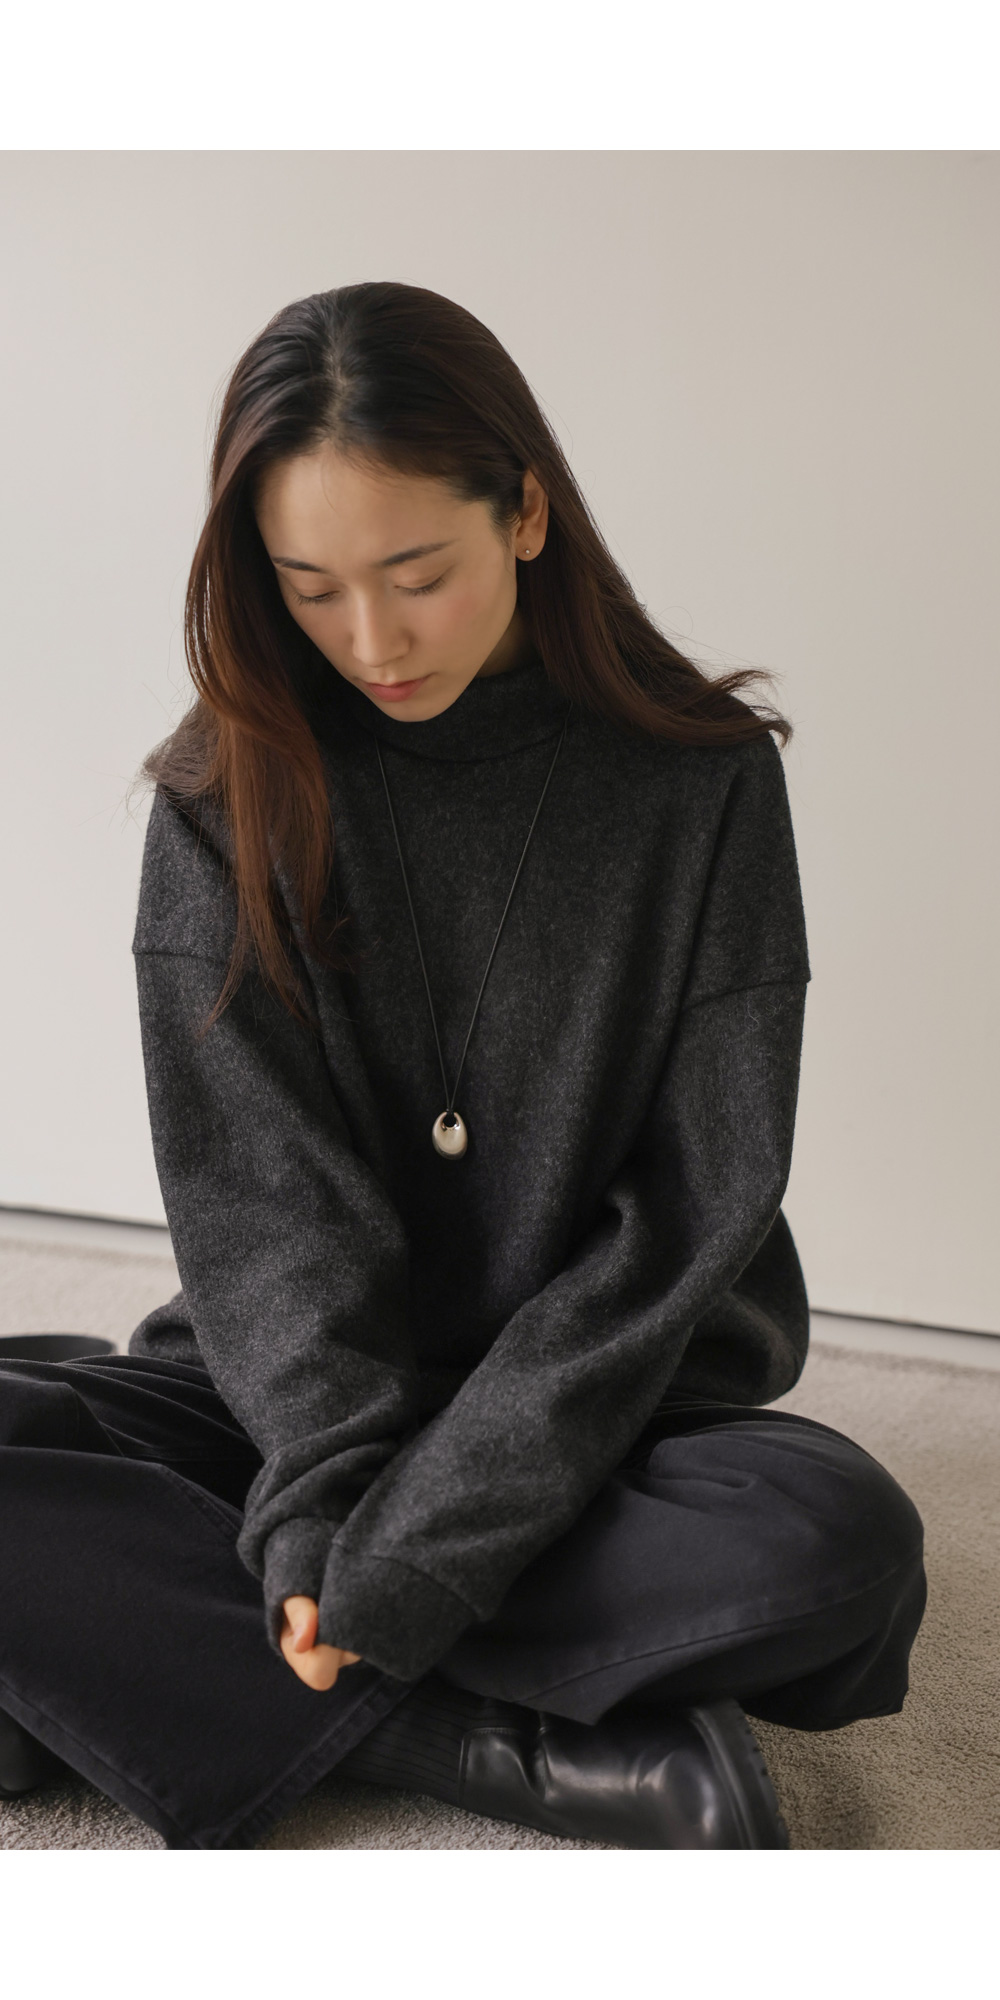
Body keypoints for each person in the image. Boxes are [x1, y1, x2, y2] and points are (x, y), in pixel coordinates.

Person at [0, 280, 926, 1851]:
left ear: (527, 514)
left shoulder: (697, 788)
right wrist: (331, 1506)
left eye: (416, 574)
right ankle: (494, 1748)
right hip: (285, 1402)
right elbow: (264, 1222)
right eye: (309, 587)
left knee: (835, 1548)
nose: (371, 640)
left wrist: (419, 1550)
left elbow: (683, 1225)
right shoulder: (228, 794)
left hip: (603, 1412)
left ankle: (161, 1673)